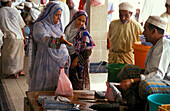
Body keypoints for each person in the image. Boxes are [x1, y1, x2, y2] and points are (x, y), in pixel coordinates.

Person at [116, 16, 170, 110]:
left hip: (166, 82)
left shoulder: (164, 45)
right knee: (127, 69)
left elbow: (157, 75)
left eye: (145, 29)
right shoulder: (155, 44)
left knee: (145, 85)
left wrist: (132, 81)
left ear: (154, 31)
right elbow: (149, 71)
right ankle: (133, 105)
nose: (143, 33)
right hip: (155, 77)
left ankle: (141, 108)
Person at [29, 1, 72, 91]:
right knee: (44, 88)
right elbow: (44, 39)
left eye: (60, 15)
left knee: (57, 87)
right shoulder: (39, 25)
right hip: (45, 60)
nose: (58, 18)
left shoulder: (57, 27)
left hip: (57, 65)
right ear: (49, 13)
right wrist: (58, 41)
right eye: (56, 15)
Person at [64, 10, 95, 90]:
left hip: (78, 63)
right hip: (68, 59)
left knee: (77, 87)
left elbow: (88, 51)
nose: (81, 23)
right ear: (74, 18)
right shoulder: (68, 29)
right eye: (79, 20)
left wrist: (76, 60)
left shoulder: (84, 33)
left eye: (83, 21)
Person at [0, 0, 26, 79]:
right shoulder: (14, 10)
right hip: (19, 36)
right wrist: (24, 37)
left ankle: (13, 73)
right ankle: (19, 71)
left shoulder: (1, 11)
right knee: (19, 55)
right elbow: (21, 26)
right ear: (8, 3)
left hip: (9, 37)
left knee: (10, 56)